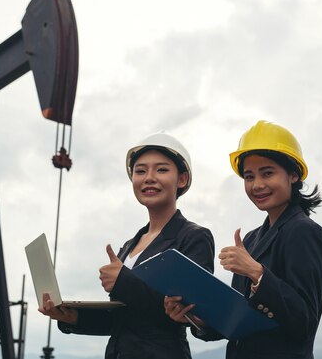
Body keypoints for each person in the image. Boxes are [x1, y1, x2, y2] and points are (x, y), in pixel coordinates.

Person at [164, 120, 322, 359]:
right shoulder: (252, 239)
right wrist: (193, 317)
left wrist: (257, 273)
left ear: (293, 174)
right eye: (249, 176)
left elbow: (304, 322)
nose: (257, 185)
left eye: (268, 173)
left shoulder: (305, 232)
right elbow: (237, 321)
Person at [39, 132, 215, 359]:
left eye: (161, 169)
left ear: (181, 179)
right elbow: (125, 320)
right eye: (140, 171)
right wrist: (72, 317)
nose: (149, 178)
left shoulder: (193, 237)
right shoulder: (130, 246)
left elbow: (188, 308)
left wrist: (122, 281)